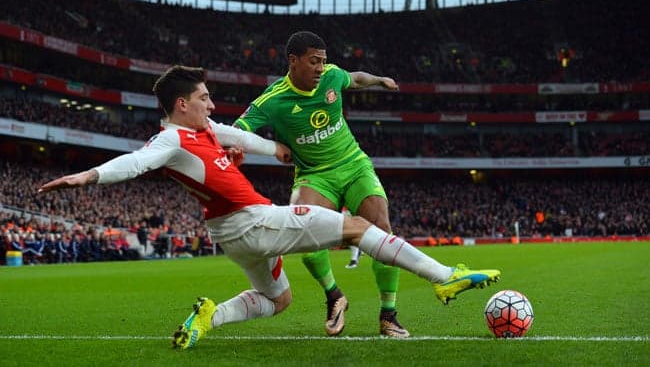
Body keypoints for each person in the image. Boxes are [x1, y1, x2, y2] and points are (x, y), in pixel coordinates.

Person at [38, 65, 501, 350]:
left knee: (278, 300)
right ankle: (446, 278)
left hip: (231, 235)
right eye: (203, 98)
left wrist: (272, 148)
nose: (211, 104)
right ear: (181, 104)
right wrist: (87, 176)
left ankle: (208, 317)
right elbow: (136, 162)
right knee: (358, 226)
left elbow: (236, 135)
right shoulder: (172, 138)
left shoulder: (204, 131)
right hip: (254, 222)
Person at [233, 31, 404, 337]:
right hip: (314, 175)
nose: (320, 68)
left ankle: (388, 315)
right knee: (305, 236)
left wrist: (381, 79)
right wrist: (256, 147)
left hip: (354, 165)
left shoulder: (332, 77)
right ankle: (334, 296)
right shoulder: (273, 100)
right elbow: (239, 129)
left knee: (382, 230)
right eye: (314, 62)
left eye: (323, 62)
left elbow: (357, 77)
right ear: (293, 61)